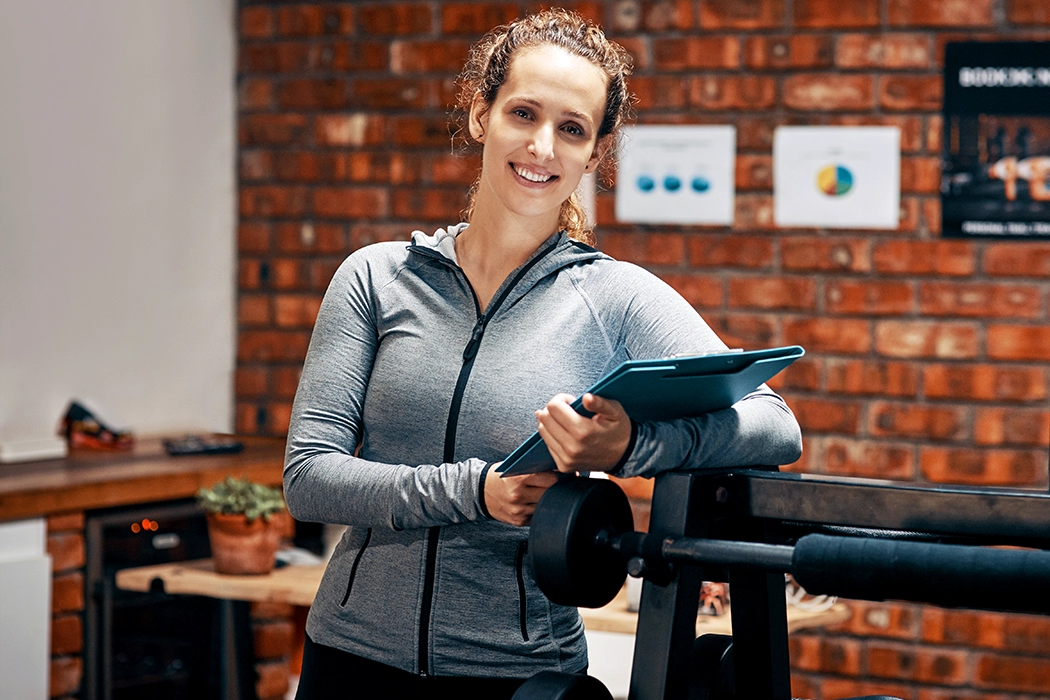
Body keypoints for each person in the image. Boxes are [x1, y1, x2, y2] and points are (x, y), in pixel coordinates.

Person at [284, 9, 802, 699]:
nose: (541, 147)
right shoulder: (377, 279)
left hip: (517, 675)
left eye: (571, 129)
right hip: (348, 660)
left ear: (594, 153)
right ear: (480, 116)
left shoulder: (613, 296)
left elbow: (775, 426)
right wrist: (477, 492)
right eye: (523, 113)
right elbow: (309, 477)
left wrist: (628, 446)